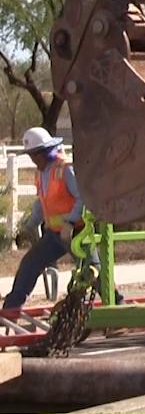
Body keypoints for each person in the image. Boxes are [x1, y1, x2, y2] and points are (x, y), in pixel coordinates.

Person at [2, 127, 119, 310]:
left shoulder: (66, 168)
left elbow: (82, 198)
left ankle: (118, 307)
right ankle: (11, 308)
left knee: (93, 271)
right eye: (31, 155)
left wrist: (71, 222)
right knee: (30, 264)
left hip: (77, 233)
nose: (33, 159)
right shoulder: (41, 173)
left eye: (35, 155)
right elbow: (41, 203)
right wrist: (30, 225)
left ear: (45, 151)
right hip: (55, 235)